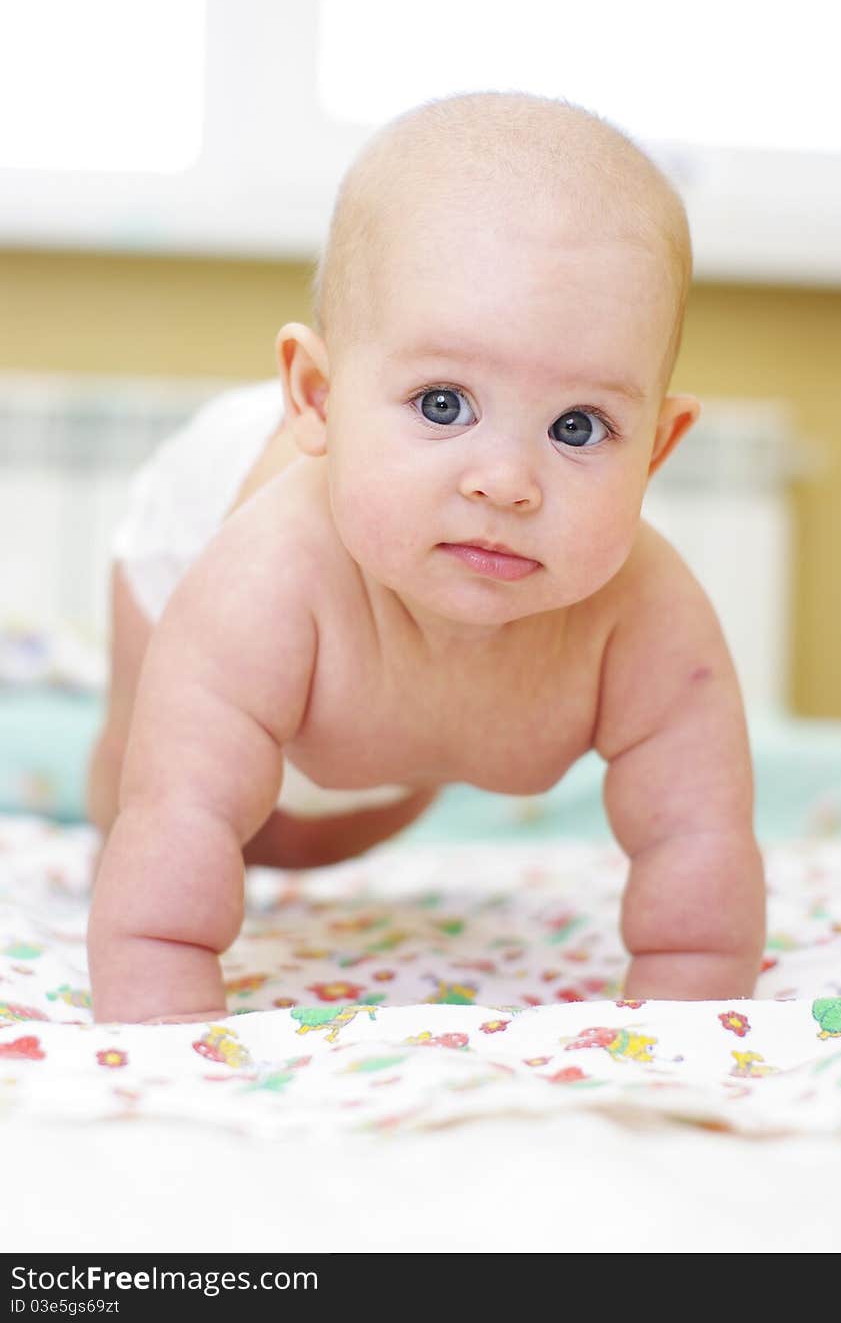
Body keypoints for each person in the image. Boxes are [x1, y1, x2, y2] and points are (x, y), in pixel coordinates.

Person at [85, 90, 766, 1023]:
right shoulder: (261, 573)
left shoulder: (649, 616)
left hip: (399, 663)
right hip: (205, 518)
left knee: (331, 824)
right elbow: (177, 826)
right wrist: (163, 1012)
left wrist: (692, 1018)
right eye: (444, 403)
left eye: (579, 426)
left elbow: (700, 839)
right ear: (318, 396)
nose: (507, 481)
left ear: (656, 446)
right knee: (155, 784)